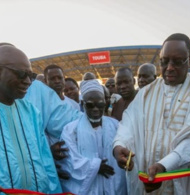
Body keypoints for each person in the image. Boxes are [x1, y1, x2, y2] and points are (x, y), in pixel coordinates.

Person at [113, 33, 190, 195]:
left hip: (185, 185)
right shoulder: (145, 94)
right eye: (164, 61)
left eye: (177, 61)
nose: (169, 67)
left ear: (189, 59)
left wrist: (164, 166)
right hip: (150, 185)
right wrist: (119, 146)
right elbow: (128, 125)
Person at [0, 45, 62, 193]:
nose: (28, 81)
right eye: (21, 74)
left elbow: (46, 162)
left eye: (31, 75)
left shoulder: (32, 112)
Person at [58, 79, 127, 195]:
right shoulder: (70, 130)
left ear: (105, 103)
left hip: (113, 186)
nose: (95, 109)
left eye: (100, 104)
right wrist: (95, 167)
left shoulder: (115, 126)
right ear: (83, 104)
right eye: (90, 105)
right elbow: (69, 160)